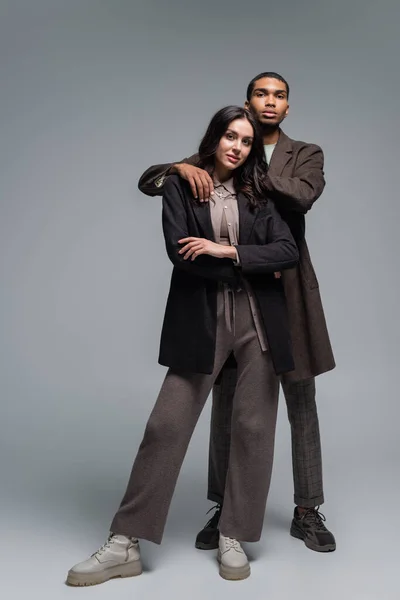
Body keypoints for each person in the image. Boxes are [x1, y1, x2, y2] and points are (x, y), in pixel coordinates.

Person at [66, 106, 299, 586]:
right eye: (230, 137)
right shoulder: (183, 183)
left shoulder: (260, 193)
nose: (237, 147)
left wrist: (226, 250)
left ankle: (233, 533)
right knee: (166, 425)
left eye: (247, 142)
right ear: (215, 137)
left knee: (253, 429)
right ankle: (124, 542)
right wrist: (249, 263)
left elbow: (288, 250)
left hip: (260, 321)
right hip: (203, 317)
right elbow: (181, 254)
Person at [138, 72, 337, 553]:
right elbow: (150, 183)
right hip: (232, 289)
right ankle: (224, 508)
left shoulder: (303, 152)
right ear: (247, 102)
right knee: (228, 396)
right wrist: (181, 168)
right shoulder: (230, 143)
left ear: (287, 107)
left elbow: (303, 196)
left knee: (300, 398)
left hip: (286, 286)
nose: (270, 101)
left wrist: (246, 166)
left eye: (280, 95)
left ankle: (308, 510)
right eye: (261, 94)